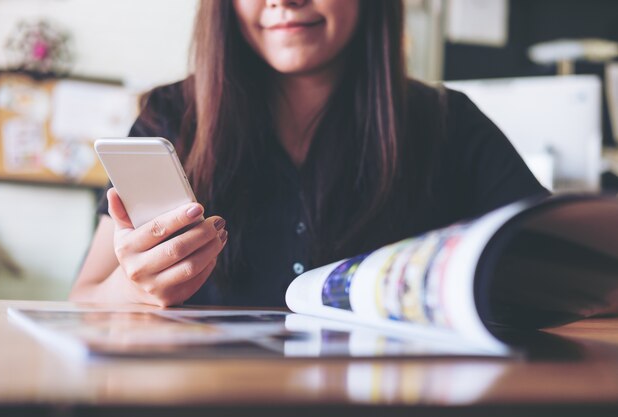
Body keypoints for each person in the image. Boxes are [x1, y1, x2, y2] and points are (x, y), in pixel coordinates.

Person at [69, 0, 548, 307]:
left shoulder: (449, 122)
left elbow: (567, 263)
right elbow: (84, 299)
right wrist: (135, 288)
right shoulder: (170, 115)